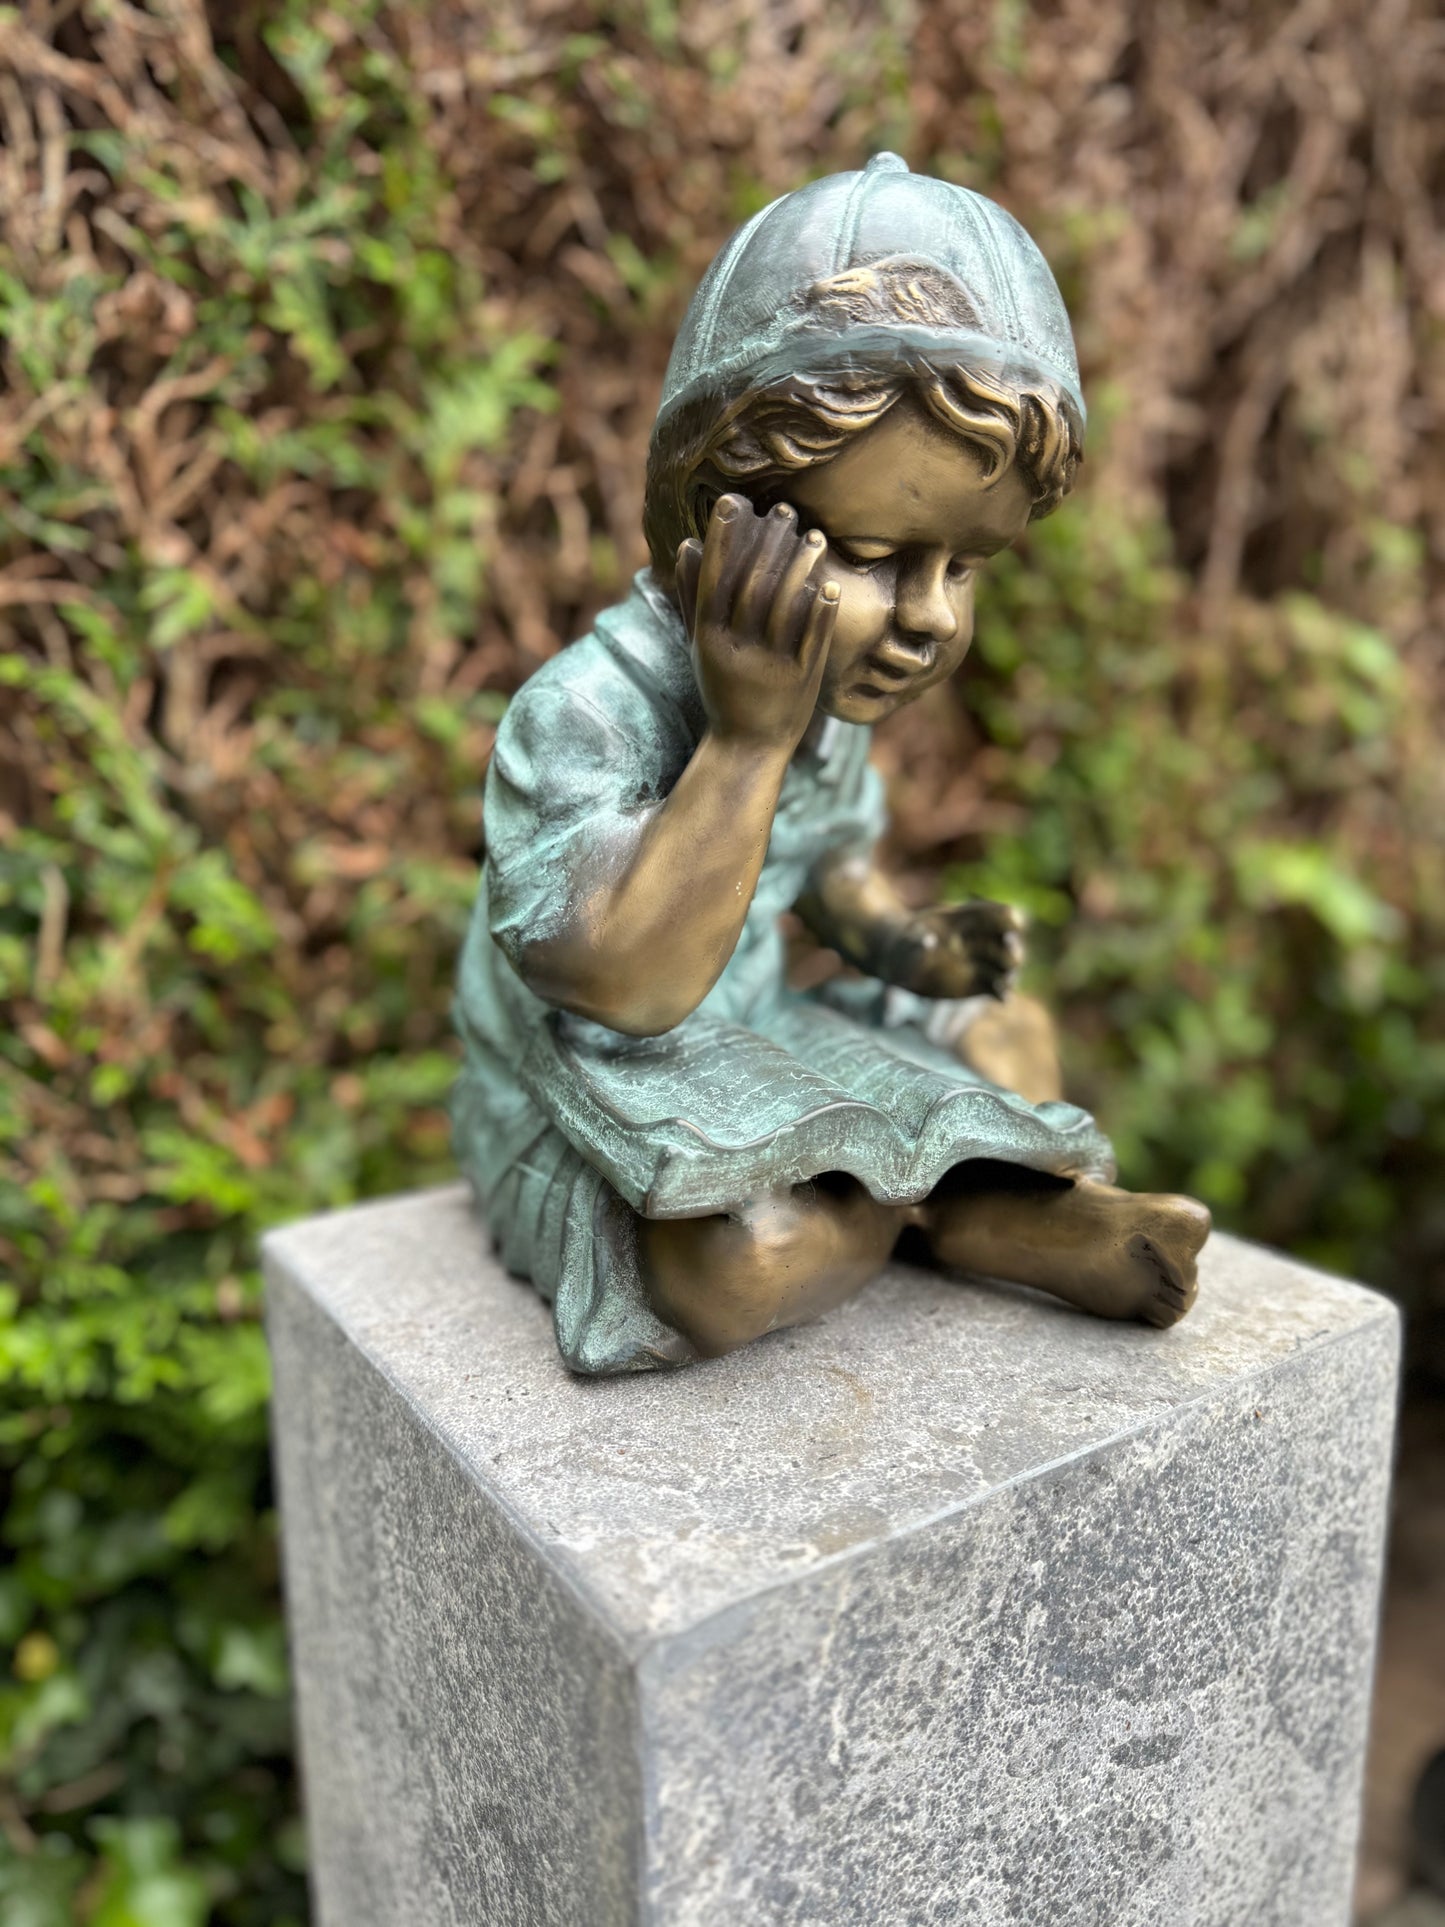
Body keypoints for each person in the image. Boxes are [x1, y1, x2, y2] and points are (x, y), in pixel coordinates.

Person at [453, 153, 1209, 1373]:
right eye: (868, 552)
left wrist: (900, 945)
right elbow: (626, 990)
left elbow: (832, 866)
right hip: (591, 1084)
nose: (926, 620)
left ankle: (933, 1199)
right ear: (710, 518)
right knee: (733, 1259)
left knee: (1005, 1027)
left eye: (962, 569)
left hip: (754, 1038)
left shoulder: (827, 694)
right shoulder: (586, 712)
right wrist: (746, 738)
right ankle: (960, 1213)